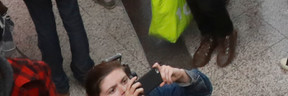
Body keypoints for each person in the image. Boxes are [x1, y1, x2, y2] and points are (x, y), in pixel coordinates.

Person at [82, 61, 211, 96]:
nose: (124, 90)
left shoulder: (152, 92)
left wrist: (183, 76)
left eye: (124, 81)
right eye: (112, 90)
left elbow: (204, 90)